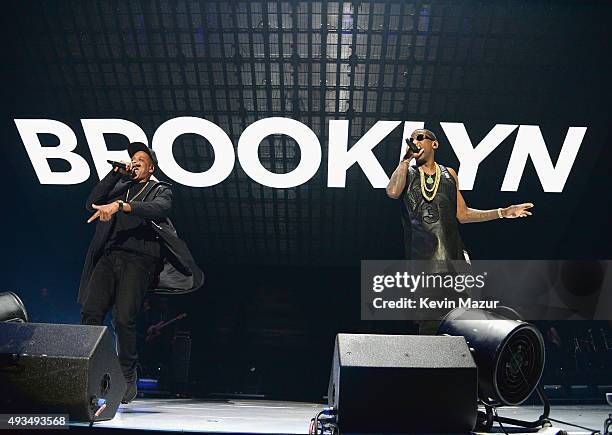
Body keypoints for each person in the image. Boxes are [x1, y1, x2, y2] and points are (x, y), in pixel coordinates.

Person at [78, 142, 204, 403]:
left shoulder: (160, 189)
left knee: (124, 318)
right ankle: (90, 371)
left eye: (140, 159)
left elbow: (159, 209)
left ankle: (126, 376)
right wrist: (114, 174)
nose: (134, 161)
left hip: (140, 259)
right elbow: (92, 202)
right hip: (109, 256)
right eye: (132, 158)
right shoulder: (119, 186)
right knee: (91, 313)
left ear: (151, 167)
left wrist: (121, 207)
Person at [386, 128, 534, 265]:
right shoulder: (406, 172)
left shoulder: (449, 174)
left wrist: (503, 212)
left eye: (419, 138)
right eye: (412, 140)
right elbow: (393, 192)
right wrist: (405, 160)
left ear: (434, 144)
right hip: (421, 261)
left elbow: (463, 214)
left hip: (454, 258)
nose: (415, 143)